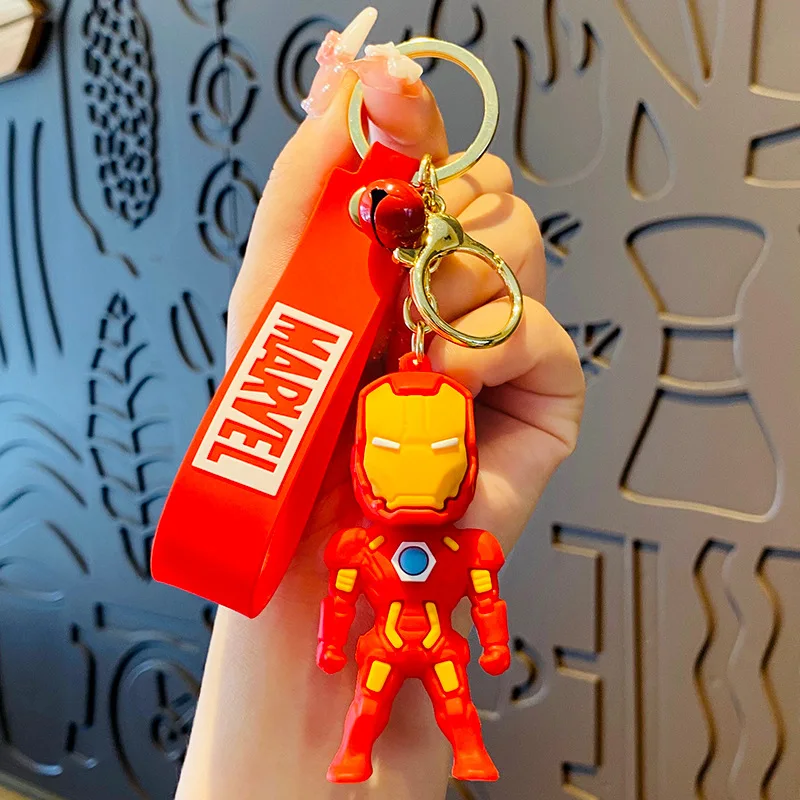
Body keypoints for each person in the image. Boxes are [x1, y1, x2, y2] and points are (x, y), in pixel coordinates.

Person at [176, 8, 585, 798]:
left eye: (435, 452)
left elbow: (475, 592)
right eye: (394, 450)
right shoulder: (360, 549)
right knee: (382, 703)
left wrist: (481, 638)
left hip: (412, 641)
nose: (416, 472)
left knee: (445, 698)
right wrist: (313, 642)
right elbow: (343, 594)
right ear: (367, 453)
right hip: (378, 637)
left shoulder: (447, 544)